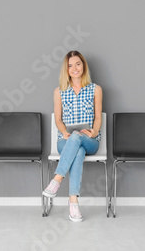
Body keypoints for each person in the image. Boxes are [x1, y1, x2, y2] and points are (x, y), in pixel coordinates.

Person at [42, 50, 102, 222]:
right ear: (66, 69)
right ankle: (73, 202)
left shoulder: (95, 89)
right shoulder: (59, 91)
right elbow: (59, 119)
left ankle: (57, 180)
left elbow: (98, 117)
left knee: (80, 141)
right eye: (70, 65)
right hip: (66, 140)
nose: (74, 68)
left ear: (83, 65)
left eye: (78, 64)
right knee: (78, 150)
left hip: (90, 140)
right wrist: (64, 132)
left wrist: (95, 132)